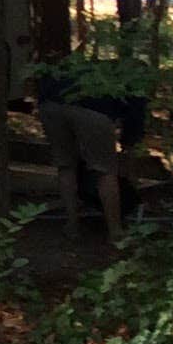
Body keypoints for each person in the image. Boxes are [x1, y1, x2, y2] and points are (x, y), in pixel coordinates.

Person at [32, 68, 126, 238]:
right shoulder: (135, 83)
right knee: (104, 169)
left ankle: (72, 224)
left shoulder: (86, 69)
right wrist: (129, 144)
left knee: (65, 164)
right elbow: (134, 125)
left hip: (51, 103)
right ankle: (115, 231)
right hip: (94, 109)